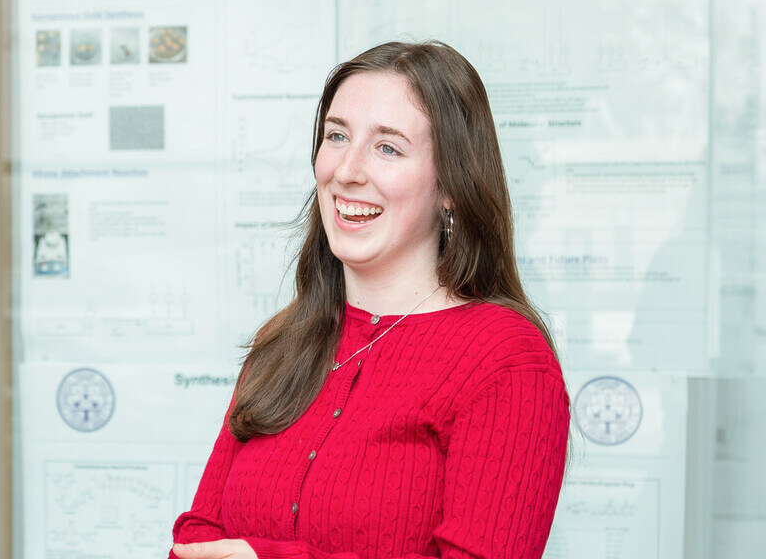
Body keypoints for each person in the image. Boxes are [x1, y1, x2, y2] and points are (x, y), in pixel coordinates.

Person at [170, 41, 569, 559]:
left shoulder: (505, 359)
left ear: (452, 184)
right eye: (337, 136)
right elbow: (198, 535)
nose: (347, 171)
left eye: (388, 148)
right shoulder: (286, 342)